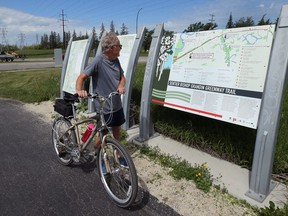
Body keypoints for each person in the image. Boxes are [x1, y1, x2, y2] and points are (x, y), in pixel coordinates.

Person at [75, 32, 126, 148]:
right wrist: (79, 90)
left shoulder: (116, 60)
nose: (121, 49)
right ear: (112, 48)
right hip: (105, 107)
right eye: (120, 46)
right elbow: (81, 77)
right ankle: (99, 156)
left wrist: (121, 86)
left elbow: (122, 77)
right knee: (103, 133)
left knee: (117, 129)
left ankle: (117, 154)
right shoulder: (98, 61)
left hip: (117, 105)